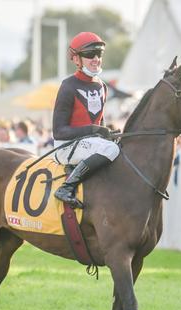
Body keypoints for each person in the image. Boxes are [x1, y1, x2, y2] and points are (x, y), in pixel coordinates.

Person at [52, 32, 119, 208]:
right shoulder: (68, 86)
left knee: (118, 146)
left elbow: (99, 124)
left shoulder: (102, 86)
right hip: (65, 146)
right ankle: (66, 188)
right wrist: (93, 130)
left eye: (99, 54)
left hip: (89, 144)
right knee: (111, 149)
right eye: (90, 55)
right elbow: (58, 131)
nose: (96, 59)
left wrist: (107, 133)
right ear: (76, 59)